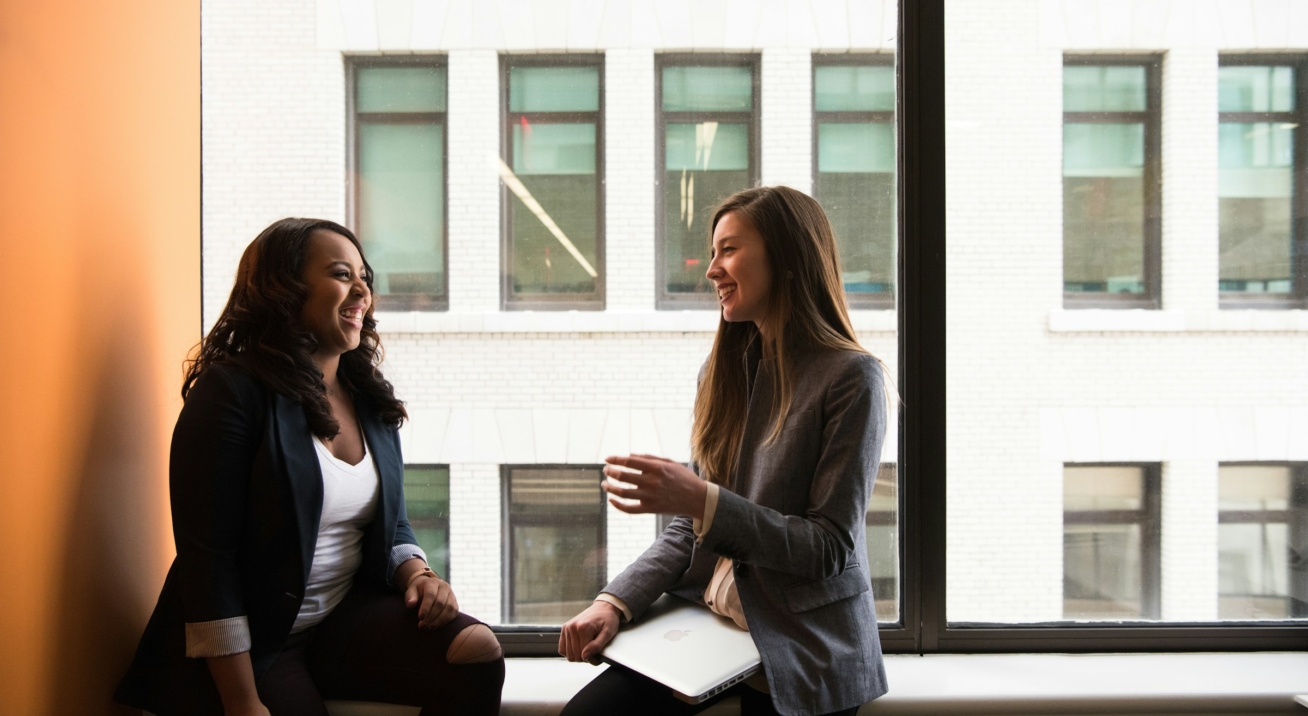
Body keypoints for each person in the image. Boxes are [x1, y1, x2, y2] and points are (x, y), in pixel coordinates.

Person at [115, 218, 504, 716]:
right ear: (284, 289)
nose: (363, 289)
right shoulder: (232, 392)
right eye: (342, 274)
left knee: (477, 651)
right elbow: (208, 562)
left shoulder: (366, 395)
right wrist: (241, 701)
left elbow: (393, 520)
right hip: (254, 645)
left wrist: (418, 574)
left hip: (338, 621)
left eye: (364, 276)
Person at [558, 187, 891, 716]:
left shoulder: (853, 378)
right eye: (713, 253)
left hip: (800, 640)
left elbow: (828, 548)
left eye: (728, 250)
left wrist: (704, 500)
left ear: (786, 258)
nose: (711, 270)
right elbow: (690, 528)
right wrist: (613, 602)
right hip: (710, 630)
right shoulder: (724, 374)